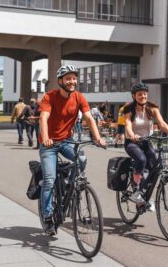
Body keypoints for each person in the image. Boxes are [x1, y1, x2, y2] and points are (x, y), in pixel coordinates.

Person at [38, 65, 107, 236]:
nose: (72, 81)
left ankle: (69, 182)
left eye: (74, 78)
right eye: (68, 78)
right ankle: (47, 216)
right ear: (60, 80)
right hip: (49, 144)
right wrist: (46, 138)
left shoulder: (78, 97)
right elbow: (43, 117)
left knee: (81, 160)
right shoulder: (49, 97)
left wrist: (98, 137)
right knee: (49, 179)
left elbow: (89, 118)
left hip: (66, 141)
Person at [123, 82, 168, 209]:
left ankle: (144, 195)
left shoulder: (152, 108)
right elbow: (127, 124)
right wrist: (132, 134)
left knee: (155, 167)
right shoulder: (129, 109)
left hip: (146, 141)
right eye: (139, 94)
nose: (143, 96)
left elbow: (162, 123)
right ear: (134, 96)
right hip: (132, 142)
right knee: (141, 159)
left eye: (144, 94)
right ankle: (137, 190)